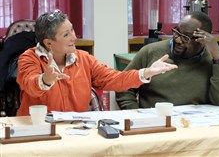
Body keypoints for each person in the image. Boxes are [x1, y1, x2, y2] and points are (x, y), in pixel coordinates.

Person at [16, 9, 178, 116]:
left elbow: (114, 79)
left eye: (72, 30)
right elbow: (30, 84)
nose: (74, 37)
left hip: (74, 129)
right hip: (37, 128)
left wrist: (145, 73)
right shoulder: (29, 58)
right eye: (66, 35)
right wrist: (45, 80)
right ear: (49, 43)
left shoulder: (84, 58)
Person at [116, 11, 219, 109]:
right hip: (156, 123)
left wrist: (218, 58)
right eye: (176, 32)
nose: (177, 39)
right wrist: (136, 114)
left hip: (195, 125)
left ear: (202, 41)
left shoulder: (212, 60)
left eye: (185, 37)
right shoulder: (151, 52)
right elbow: (123, 86)